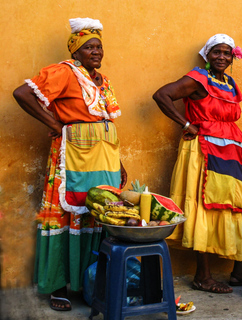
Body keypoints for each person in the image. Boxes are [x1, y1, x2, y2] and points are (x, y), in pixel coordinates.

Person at [13, 18, 127, 311]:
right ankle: (58, 286)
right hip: (72, 157)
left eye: (99, 47)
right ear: (75, 50)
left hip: (104, 159)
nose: (96, 52)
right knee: (66, 214)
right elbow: (23, 94)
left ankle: (89, 283)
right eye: (88, 47)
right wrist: (54, 123)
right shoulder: (64, 72)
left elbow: (104, 123)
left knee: (99, 215)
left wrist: (118, 161)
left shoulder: (103, 81)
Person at [152, 34, 242, 294]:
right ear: (207, 55)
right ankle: (202, 276)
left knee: (241, 202)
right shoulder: (198, 79)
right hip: (203, 150)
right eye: (217, 52)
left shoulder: (229, 83)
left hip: (232, 150)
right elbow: (162, 95)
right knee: (204, 206)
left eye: (227, 53)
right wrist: (185, 124)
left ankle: (239, 271)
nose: (222, 57)